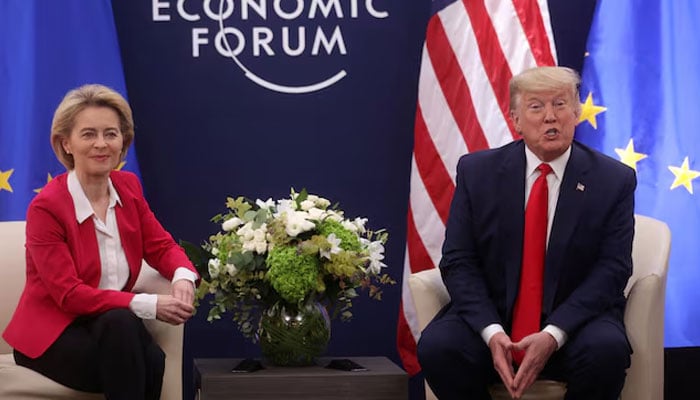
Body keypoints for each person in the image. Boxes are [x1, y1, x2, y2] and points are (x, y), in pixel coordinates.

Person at [417, 66, 635, 400]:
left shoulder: (613, 180)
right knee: (439, 347)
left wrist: (553, 333)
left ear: (576, 113)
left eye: (560, 105)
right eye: (536, 107)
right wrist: (491, 333)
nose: (551, 117)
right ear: (516, 119)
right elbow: (459, 260)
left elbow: (613, 268)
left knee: (607, 351)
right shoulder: (477, 173)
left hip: (573, 324)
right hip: (495, 320)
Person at [2, 84, 199, 400]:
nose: (101, 144)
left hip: (112, 328)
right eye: (88, 134)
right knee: (142, 354)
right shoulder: (47, 208)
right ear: (66, 143)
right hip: (54, 336)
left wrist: (183, 277)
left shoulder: (128, 187)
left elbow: (161, 246)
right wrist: (150, 304)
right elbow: (69, 295)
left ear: (123, 141)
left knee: (136, 344)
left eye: (111, 134)